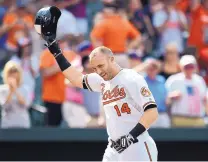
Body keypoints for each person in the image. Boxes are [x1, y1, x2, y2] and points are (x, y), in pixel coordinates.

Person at [34, 6, 158, 161]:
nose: (98, 71)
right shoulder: (102, 81)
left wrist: (130, 137)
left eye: (101, 66)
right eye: (95, 68)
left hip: (137, 144)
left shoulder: (132, 78)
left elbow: (152, 113)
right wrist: (56, 51)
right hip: (114, 146)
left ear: (112, 59)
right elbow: (76, 78)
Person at [166, 55, 208, 127]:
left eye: (191, 66)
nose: (189, 69)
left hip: (197, 119)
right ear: (181, 67)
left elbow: (205, 100)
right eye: (186, 67)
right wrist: (171, 96)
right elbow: (164, 99)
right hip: (179, 118)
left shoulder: (199, 80)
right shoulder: (173, 80)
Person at [0, 61, 32, 128]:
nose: (13, 75)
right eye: (10, 72)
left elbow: (26, 105)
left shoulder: (25, 89)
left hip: (22, 124)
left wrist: (15, 90)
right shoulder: (2, 89)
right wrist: (11, 92)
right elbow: (4, 105)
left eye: (15, 72)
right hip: (7, 125)